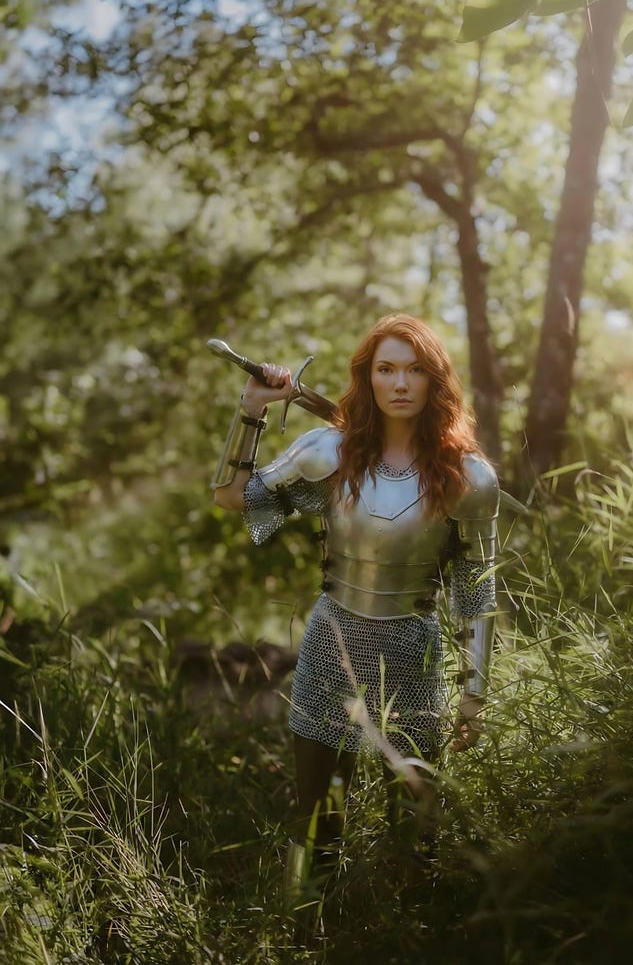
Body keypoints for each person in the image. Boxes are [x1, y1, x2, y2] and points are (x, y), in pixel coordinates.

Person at [212, 314, 499, 907]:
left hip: (413, 652)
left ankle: (402, 936)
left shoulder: (469, 477)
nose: (400, 383)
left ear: (435, 380)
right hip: (332, 642)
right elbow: (233, 497)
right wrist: (252, 408)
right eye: (385, 369)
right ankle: (308, 934)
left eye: (415, 369)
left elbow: (476, 585)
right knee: (319, 821)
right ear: (366, 379)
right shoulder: (329, 451)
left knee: (415, 827)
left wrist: (475, 689)